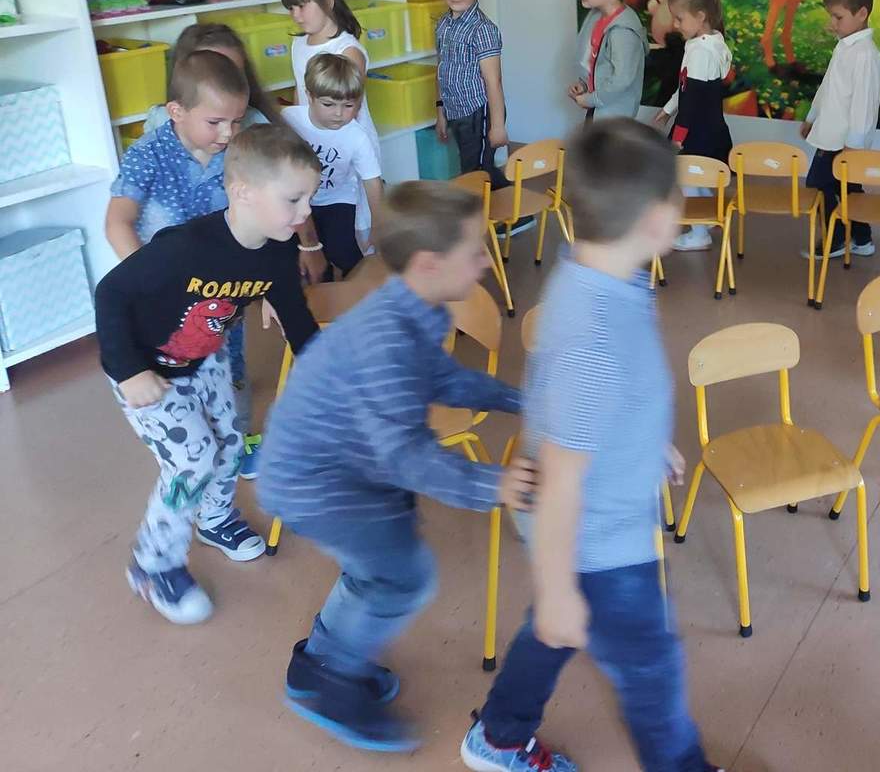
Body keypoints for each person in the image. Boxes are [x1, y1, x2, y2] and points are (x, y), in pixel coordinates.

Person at [462, 119, 718, 772]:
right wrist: (555, 587)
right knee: (650, 669)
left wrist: (644, 442)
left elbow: (602, 407)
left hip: (592, 515)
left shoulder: (603, 274)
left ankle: (498, 734)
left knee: (554, 632)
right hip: (599, 537)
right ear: (658, 219)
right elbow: (563, 475)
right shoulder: (595, 335)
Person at [259, 180, 538, 753]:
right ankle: (326, 686)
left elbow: (444, 380)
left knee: (375, 567)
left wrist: (520, 400)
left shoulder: (417, 310)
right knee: (404, 575)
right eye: (475, 252)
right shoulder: (386, 339)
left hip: (346, 464)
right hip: (317, 481)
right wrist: (495, 484)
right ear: (430, 263)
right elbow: (407, 456)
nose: (487, 261)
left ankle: (322, 660)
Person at [95, 125, 323, 625]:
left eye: (309, 198)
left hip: (205, 359)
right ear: (243, 192)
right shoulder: (186, 247)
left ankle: (214, 518)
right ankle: (153, 563)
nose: (305, 212)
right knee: (192, 460)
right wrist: (129, 371)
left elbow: (295, 316)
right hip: (146, 367)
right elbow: (112, 293)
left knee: (230, 442)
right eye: (293, 199)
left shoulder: (278, 250)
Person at [106, 50, 268, 475]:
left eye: (236, 121)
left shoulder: (236, 153)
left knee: (231, 366)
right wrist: (149, 281)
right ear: (176, 112)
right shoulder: (148, 154)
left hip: (222, 295)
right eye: (215, 122)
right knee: (180, 377)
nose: (228, 133)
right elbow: (117, 222)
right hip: (166, 299)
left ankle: (238, 440)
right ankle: (194, 451)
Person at [282, 0, 382, 265]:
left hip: (347, 141)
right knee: (317, 209)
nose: (297, 15)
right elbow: (300, 94)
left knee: (355, 222)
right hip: (313, 140)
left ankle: (362, 270)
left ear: (327, 2)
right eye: (291, 8)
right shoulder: (298, 44)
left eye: (303, 6)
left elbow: (348, 107)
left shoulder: (348, 50)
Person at [800, 0, 880, 260]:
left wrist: (853, 145)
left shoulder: (865, 55)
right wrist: (812, 117)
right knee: (848, 189)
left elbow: (864, 105)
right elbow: (828, 86)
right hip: (831, 133)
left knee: (817, 185)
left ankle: (835, 239)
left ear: (862, 14)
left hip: (844, 141)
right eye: (832, 17)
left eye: (838, 17)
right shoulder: (845, 46)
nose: (833, 23)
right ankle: (862, 238)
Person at [280, 54, 384, 280]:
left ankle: (359, 288)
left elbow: (372, 181)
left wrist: (378, 224)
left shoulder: (357, 136)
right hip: (299, 202)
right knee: (309, 257)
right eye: (328, 104)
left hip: (338, 199)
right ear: (309, 96)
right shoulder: (287, 119)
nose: (338, 113)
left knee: (344, 253)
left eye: (348, 106)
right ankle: (323, 287)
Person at [652, 0, 733, 252]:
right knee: (696, 175)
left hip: (697, 131)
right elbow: (686, 87)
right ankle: (708, 215)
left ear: (700, 17)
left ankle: (700, 232)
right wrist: (667, 110)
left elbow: (692, 100)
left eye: (679, 18)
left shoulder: (701, 53)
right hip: (708, 127)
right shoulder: (711, 43)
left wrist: (678, 137)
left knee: (685, 174)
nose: (675, 25)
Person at [434, 0, 517, 192]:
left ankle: (489, 212)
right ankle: (508, 205)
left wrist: (498, 126)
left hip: (478, 113)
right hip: (455, 110)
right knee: (479, 168)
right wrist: (440, 111)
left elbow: (493, 82)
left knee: (475, 172)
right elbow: (441, 70)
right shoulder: (443, 25)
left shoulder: (482, 30)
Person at [139, 22, 284, 134]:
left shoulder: (256, 122)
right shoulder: (160, 119)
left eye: (233, 75)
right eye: (211, 74)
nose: (227, 133)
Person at [570, 0, 646, 122]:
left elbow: (621, 79)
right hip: (598, 107)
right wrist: (584, 84)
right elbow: (597, 63)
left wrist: (591, 99)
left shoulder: (623, 32)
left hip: (613, 118)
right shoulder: (596, 16)